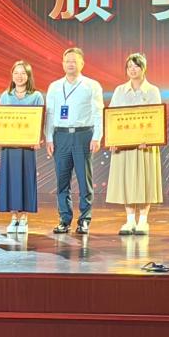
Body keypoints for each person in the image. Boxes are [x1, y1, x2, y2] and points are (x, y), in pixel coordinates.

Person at [46, 48, 104, 235]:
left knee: (84, 180)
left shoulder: (91, 85)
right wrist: (49, 138)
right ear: (62, 64)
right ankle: (64, 220)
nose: (70, 64)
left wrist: (97, 137)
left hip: (83, 135)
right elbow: (50, 114)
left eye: (74, 61)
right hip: (60, 136)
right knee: (62, 181)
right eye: (67, 61)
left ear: (82, 64)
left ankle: (85, 220)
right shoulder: (55, 86)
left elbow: (98, 113)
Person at [106, 53, 163, 235]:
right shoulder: (119, 90)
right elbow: (112, 117)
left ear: (143, 68)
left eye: (136, 66)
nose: (132, 69)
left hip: (145, 145)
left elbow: (156, 118)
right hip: (124, 145)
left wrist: (150, 139)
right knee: (127, 180)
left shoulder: (152, 90)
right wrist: (112, 140)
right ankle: (130, 220)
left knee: (145, 181)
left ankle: (143, 221)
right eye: (129, 66)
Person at [0, 61, 44, 235]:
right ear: (12, 75)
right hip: (9, 146)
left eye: (23, 73)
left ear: (28, 76)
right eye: (16, 73)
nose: (19, 76)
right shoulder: (5, 96)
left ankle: (24, 218)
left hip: (27, 146)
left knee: (25, 179)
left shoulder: (36, 96)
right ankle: (14, 217)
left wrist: (37, 138)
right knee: (10, 180)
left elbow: (40, 120)